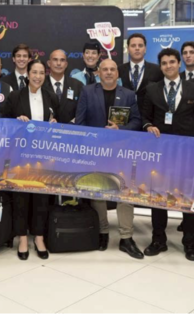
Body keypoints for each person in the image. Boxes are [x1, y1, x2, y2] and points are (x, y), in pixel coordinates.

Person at [141, 48, 194, 262]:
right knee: (158, 197)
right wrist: (148, 126)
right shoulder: (152, 89)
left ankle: (190, 243)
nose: (168, 66)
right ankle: (158, 240)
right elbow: (145, 116)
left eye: (172, 62)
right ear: (161, 66)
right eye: (164, 63)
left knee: (187, 197)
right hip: (160, 151)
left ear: (179, 64)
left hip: (186, 152)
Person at [75, 58, 143, 259]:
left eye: (113, 69)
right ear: (98, 73)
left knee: (125, 193)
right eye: (104, 69)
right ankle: (102, 232)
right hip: (96, 151)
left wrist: (120, 129)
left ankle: (126, 237)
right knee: (98, 193)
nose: (109, 72)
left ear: (118, 74)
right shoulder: (87, 91)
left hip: (122, 152)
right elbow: (80, 122)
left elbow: (137, 121)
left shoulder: (129, 94)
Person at [7, 59, 60, 261]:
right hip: (20, 156)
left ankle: (39, 237)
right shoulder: (15, 96)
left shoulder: (51, 96)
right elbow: (4, 123)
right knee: (21, 198)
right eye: (34, 72)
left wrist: (55, 123)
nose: (38, 76)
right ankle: (22, 238)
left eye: (41, 73)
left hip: (43, 156)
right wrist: (16, 122)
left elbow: (60, 123)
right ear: (27, 74)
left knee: (41, 198)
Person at [45, 49, 83, 123]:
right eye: (55, 60)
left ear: (66, 64)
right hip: (44, 129)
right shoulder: (40, 84)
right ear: (49, 63)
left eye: (62, 60)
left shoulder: (77, 85)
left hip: (70, 129)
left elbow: (81, 112)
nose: (59, 63)